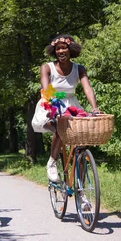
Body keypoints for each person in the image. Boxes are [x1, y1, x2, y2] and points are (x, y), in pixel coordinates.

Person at [32, 34, 100, 183]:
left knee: (83, 142)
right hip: (50, 105)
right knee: (59, 128)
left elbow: (87, 88)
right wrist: (53, 107)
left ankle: (81, 190)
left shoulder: (79, 69)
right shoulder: (47, 68)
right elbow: (46, 90)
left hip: (71, 106)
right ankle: (52, 162)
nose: (61, 51)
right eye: (57, 49)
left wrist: (95, 108)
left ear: (71, 50)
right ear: (54, 51)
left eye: (64, 48)